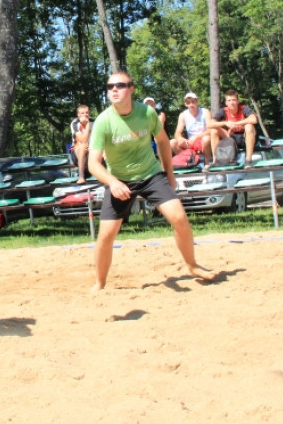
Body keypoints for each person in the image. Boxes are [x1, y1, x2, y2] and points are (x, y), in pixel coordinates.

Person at [87, 71, 216, 290]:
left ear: (131, 89)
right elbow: (93, 163)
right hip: (119, 179)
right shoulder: (103, 121)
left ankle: (192, 265)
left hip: (150, 174)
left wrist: (169, 174)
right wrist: (112, 182)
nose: (114, 90)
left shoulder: (146, 113)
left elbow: (164, 142)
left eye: (119, 85)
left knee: (179, 217)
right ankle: (99, 283)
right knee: (106, 235)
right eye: (110, 87)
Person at [209, 88, 258, 166]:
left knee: (249, 126)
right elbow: (209, 124)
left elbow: (254, 119)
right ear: (226, 103)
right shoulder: (223, 111)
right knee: (214, 130)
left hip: (244, 137)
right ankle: (215, 160)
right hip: (231, 137)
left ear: (237, 101)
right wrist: (225, 123)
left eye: (233, 100)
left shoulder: (244, 108)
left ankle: (248, 160)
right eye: (229, 100)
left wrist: (236, 123)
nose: (232, 103)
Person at [173, 91, 213, 166]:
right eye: (188, 103)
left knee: (206, 139)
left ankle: (207, 164)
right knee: (172, 143)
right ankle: (187, 161)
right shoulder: (183, 115)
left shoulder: (205, 112)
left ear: (197, 101)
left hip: (202, 140)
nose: (191, 104)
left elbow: (210, 130)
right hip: (190, 143)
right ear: (185, 104)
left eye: (193, 102)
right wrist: (180, 138)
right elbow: (177, 133)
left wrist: (196, 137)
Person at [70, 105, 93, 183]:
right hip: (77, 152)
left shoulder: (94, 122)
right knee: (83, 145)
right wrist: (87, 125)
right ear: (78, 114)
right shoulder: (75, 123)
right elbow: (83, 140)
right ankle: (81, 176)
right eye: (82, 113)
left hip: (91, 150)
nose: (85, 115)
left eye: (87, 112)